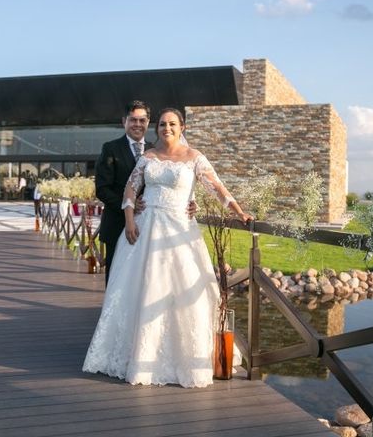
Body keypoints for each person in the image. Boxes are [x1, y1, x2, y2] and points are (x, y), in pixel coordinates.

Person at [83, 108, 252, 388]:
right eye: (162, 124)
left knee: (184, 292)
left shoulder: (195, 158)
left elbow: (217, 189)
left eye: (172, 124)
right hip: (144, 228)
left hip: (179, 231)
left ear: (182, 126)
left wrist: (239, 212)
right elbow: (129, 189)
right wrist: (128, 221)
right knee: (140, 289)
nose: (166, 128)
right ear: (157, 127)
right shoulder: (148, 157)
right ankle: (137, 358)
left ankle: (187, 360)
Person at [95, 100, 153, 286]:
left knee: (143, 279)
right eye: (133, 120)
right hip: (117, 225)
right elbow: (102, 189)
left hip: (150, 225)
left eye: (142, 120)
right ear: (124, 121)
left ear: (148, 122)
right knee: (115, 278)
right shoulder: (110, 148)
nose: (137, 124)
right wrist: (129, 205)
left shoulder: (155, 150)